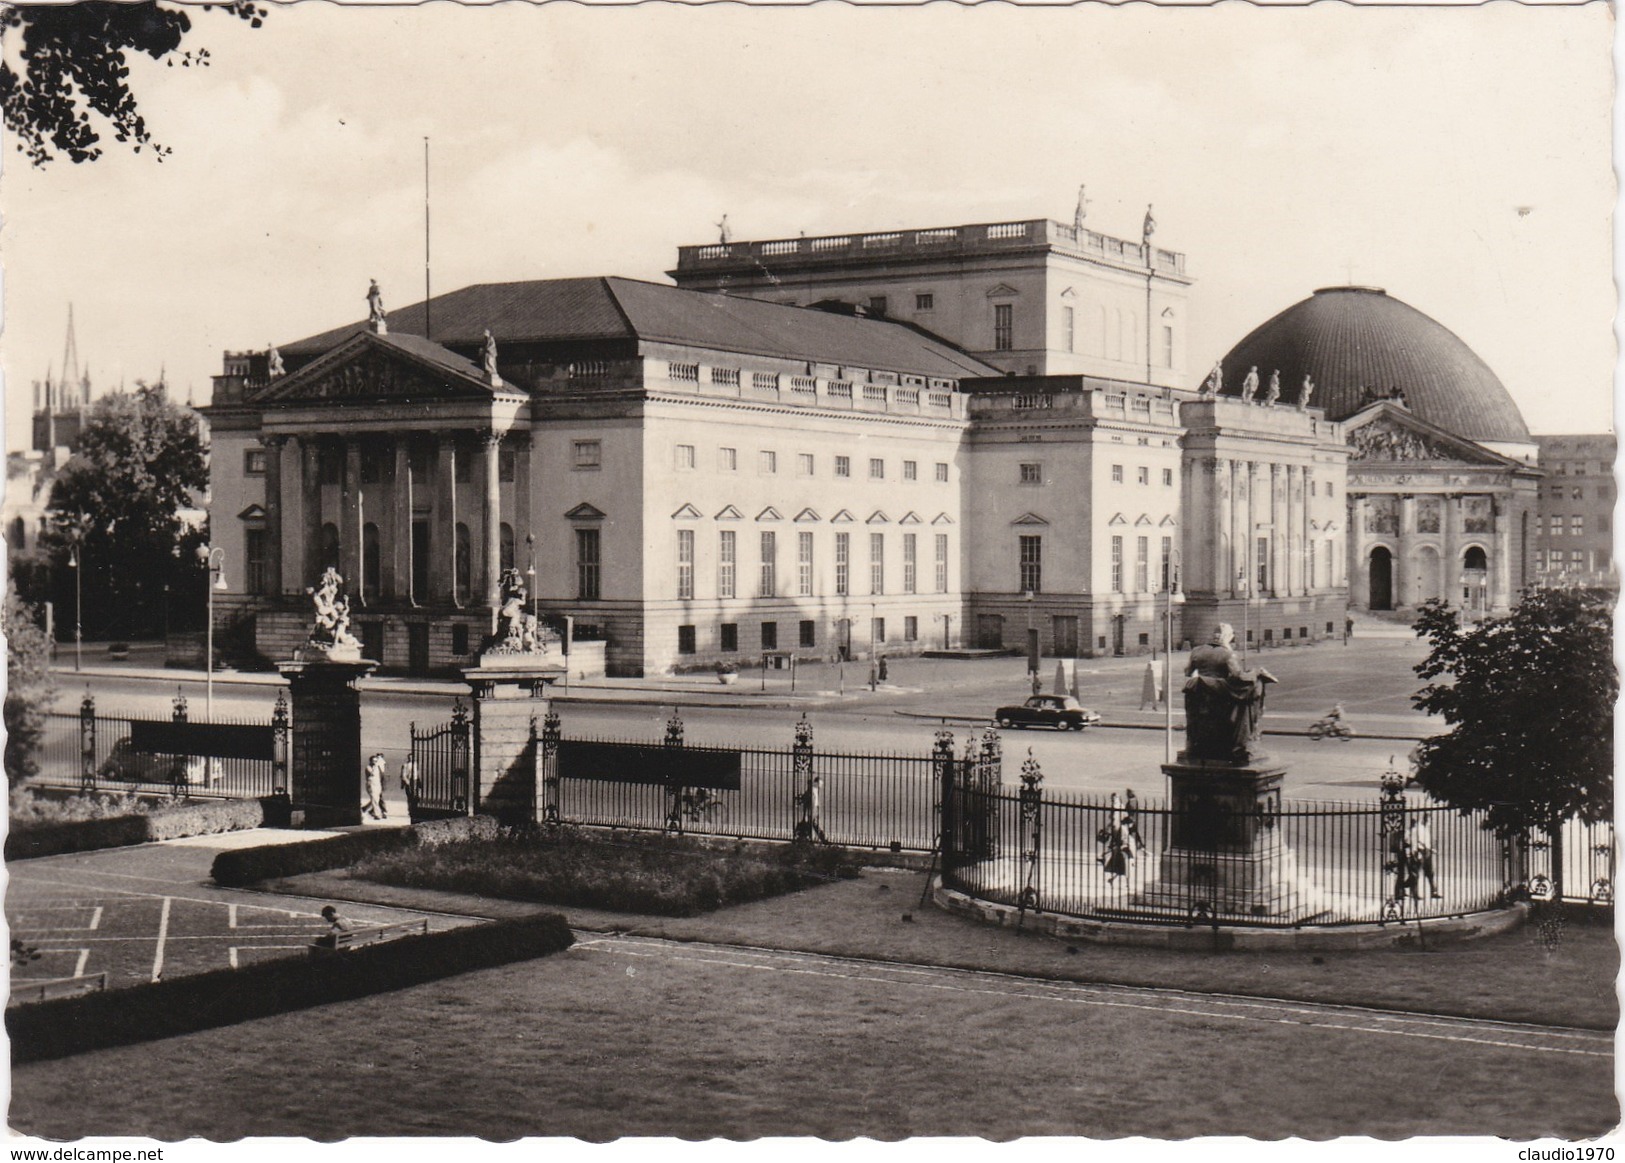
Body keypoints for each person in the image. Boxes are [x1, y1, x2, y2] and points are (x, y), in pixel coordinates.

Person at [1407, 817, 1441, 899]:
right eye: (1429, 821)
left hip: (1427, 852)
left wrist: (1432, 850)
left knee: (1430, 873)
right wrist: (1417, 851)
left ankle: (1434, 891)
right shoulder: (1419, 828)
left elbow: (1426, 841)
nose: (1429, 823)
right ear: (1426, 820)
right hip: (1420, 851)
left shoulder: (1426, 829)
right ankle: (1414, 893)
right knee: (1416, 873)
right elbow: (1417, 841)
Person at [364, 752, 388, 820]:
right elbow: (372, 773)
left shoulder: (378, 767)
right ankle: (377, 814)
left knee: (376, 800)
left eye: (376, 761)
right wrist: (376, 765)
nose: (375, 762)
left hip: (378, 785)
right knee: (374, 799)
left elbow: (382, 774)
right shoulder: (368, 767)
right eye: (373, 761)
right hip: (371, 785)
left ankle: (366, 809)